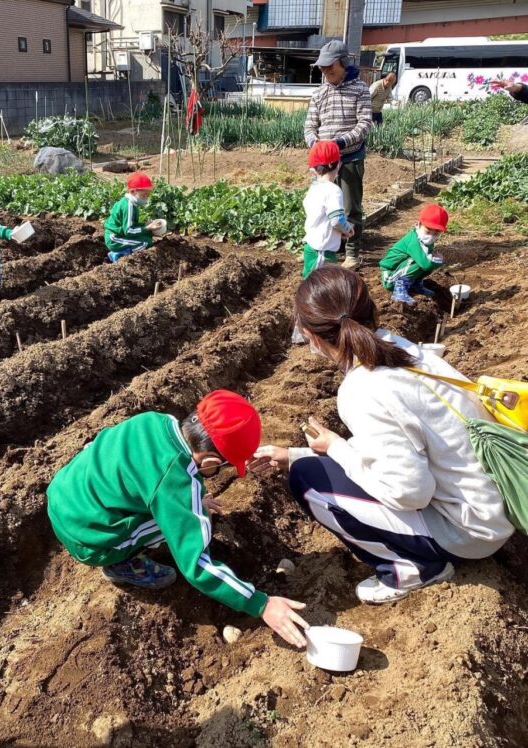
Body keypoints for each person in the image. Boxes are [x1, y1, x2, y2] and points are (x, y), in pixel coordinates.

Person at [250, 267, 514, 604]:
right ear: (372, 311)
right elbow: (395, 445)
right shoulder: (403, 349)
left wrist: (336, 448)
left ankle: (414, 567)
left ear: (311, 337)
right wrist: (295, 453)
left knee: (308, 479)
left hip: (472, 530)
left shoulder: (363, 388)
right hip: (493, 504)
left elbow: (410, 492)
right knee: (304, 464)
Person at [47, 390, 309, 648]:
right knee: (183, 524)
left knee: (178, 506)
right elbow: (196, 565)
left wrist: (191, 499)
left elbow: (149, 472)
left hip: (65, 494)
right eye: (224, 466)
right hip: (88, 538)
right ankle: (119, 564)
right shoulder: (173, 482)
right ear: (209, 460)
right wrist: (261, 604)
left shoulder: (154, 421)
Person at [304, 41, 372, 270]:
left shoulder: (360, 89)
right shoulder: (320, 93)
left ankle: (352, 252)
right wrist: (318, 147)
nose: (325, 71)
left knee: (351, 206)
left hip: (350, 156)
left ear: (343, 62)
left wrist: (339, 143)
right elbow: (310, 126)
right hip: (323, 162)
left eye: (329, 66)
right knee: (321, 205)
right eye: (322, 67)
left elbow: (363, 125)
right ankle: (318, 247)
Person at [302, 140, 354, 279]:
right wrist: (347, 229)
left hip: (312, 246)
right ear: (339, 164)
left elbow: (323, 218)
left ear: (313, 168)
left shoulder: (314, 188)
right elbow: (337, 219)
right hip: (322, 250)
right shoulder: (333, 190)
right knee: (319, 288)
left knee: (313, 285)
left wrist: (338, 231)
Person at [379, 204, 449, 305]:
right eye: (428, 231)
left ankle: (415, 284)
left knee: (426, 260)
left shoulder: (426, 241)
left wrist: (434, 261)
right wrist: (439, 260)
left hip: (399, 270)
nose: (431, 237)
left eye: (436, 234)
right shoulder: (414, 241)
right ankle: (399, 289)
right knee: (419, 261)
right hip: (390, 276)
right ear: (418, 225)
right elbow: (426, 264)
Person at [104, 172, 163, 264]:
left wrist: (145, 224)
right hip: (114, 239)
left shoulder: (131, 203)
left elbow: (132, 225)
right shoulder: (129, 207)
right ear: (132, 191)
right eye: (143, 196)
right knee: (146, 243)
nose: (145, 199)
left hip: (120, 234)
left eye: (147, 196)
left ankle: (122, 253)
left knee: (148, 236)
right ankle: (120, 255)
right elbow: (129, 231)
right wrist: (148, 228)